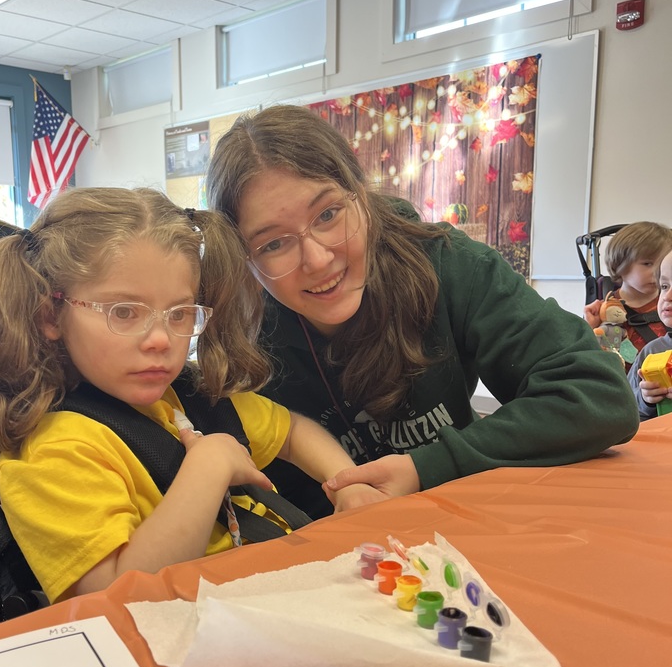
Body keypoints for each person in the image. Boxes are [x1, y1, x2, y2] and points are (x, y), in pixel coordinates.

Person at [0, 187, 381, 604]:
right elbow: (115, 599)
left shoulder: (185, 397)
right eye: (124, 312)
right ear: (50, 314)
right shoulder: (51, 454)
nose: (160, 340)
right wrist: (207, 468)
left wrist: (348, 483)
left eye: (180, 313)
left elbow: (291, 431)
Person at [206, 103, 640, 518]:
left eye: (328, 214)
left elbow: (597, 395)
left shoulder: (448, 263)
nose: (317, 260)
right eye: (274, 244)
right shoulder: (237, 336)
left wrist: (425, 468)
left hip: (460, 520)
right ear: (244, 259)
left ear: (361, 195)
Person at [584, 221, 672, 367]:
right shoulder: (605, 311)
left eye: (662, 263)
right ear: (619, 265)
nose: (657, 272)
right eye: (647, 264)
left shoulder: (666, 303)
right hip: (623, 385)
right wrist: (588, 330)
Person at [627, 247, 672, 420]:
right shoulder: (651, 352)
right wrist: (646, 399)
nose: (668, 296)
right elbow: (626, 407)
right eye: (665, 286)